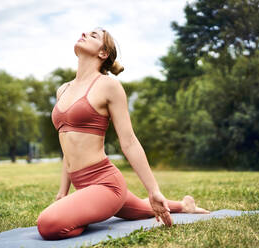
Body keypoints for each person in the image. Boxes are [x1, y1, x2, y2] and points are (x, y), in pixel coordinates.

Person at [36, 27, 209, 240]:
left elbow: (129, 142)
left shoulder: (109, 86)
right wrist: (63, 193)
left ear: (103, 53)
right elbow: (68, 146)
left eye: (93, 35)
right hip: (85, 186)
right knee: (141, 210)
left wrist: (153, 190)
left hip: (106, 184)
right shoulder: (63, 89)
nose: (84, 33)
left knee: (47, 224)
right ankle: (184, 206)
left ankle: (95, 210)